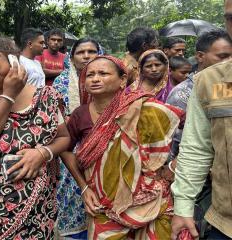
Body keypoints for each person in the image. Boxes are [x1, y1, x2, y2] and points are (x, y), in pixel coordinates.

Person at [0, 36, 70, 239]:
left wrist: (43, 153)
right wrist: (8, 95)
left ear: (13, 60)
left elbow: (63, 138)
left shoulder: (46, 96)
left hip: (38, 202)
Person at [61, 55, 182, 239]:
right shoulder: (80, 115)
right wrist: (84, 188)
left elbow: (191, 129)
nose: (95, 78)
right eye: (90, 75)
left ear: (122, 80)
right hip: (102, 205)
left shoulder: (144, 107)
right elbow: (64, 149)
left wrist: (173, 166)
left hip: (149, 200)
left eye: (103, 73)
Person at [171, 1, 232, 238]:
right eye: (231, 19)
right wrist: (183, 206)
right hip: (225, 224)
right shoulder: (210, 81)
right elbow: (196, 147)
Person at [52, 37, 102, 240]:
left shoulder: (108, 81)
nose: (86, 56)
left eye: (91, 51)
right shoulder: (61, 81)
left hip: (100, 146)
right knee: (71, 189)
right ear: (71, 58)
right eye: (81, 52)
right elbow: (55, 116)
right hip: (69, 146)